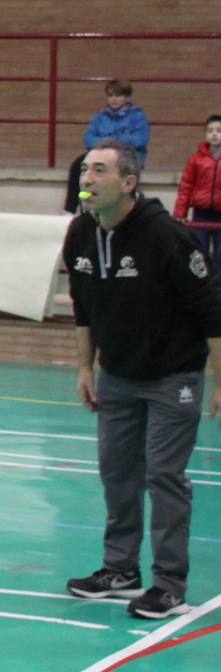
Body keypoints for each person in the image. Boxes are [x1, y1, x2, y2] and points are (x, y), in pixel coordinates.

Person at [62, 139, 221, 619]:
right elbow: (83, 308)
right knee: (116, 473)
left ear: (128, 184)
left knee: (163, 476)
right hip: (117, 375)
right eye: (85, 170)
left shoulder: (167, 238)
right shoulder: (80, 234)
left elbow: (214, 311)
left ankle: (169, 584)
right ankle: (120, 569)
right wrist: (85, 368)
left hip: (174, 376)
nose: (86, 179)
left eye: (99, 171)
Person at [65, 80, 150, 213]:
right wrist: (105, 144)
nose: (114, 99)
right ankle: (75, 205)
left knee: (118, 171)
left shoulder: (137, 117)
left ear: (127, 97)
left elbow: (140, 139)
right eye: (110, 96)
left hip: (127, 157)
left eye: (118, 95)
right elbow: (88, 138)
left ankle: (131, 208)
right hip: (101, 155)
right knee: (78, 166)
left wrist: (113, 142)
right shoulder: (100, 117)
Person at [174, 115, 221, 259]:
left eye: (219, 130)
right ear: (205, 134)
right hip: (201, 213)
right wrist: (180, 213)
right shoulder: (196, 160)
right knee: (200, 252)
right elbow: (186, 187)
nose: (214, 134)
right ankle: (204, 281)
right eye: (210, 130)